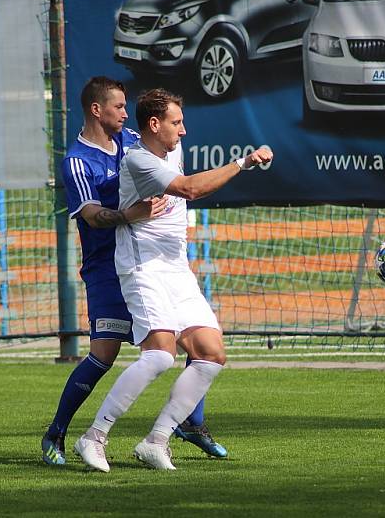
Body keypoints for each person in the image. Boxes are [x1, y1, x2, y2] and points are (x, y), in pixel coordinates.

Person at [75, 88, 273, 471]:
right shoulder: (139, 159)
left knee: (211, 352)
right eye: (176, 122)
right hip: (142, 267)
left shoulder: (169, 150)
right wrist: (243, 162)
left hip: (176, 267)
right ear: (154, 124)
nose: (183, 131)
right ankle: (94, 436)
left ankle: (157, 440)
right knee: (161, 355)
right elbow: (189, 189)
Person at [41, 77, 228, 466]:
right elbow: (93, 217)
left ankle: (189, 424)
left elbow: (173, 173)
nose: (126, 114)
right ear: (97, 110)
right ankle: (57, 434)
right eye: (118, 107)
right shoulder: (78, 161)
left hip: (155, 262)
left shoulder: (135, 141)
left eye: (128, 107)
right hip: (109, 268)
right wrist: (130, 215)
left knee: (196, 342)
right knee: (105, 355)